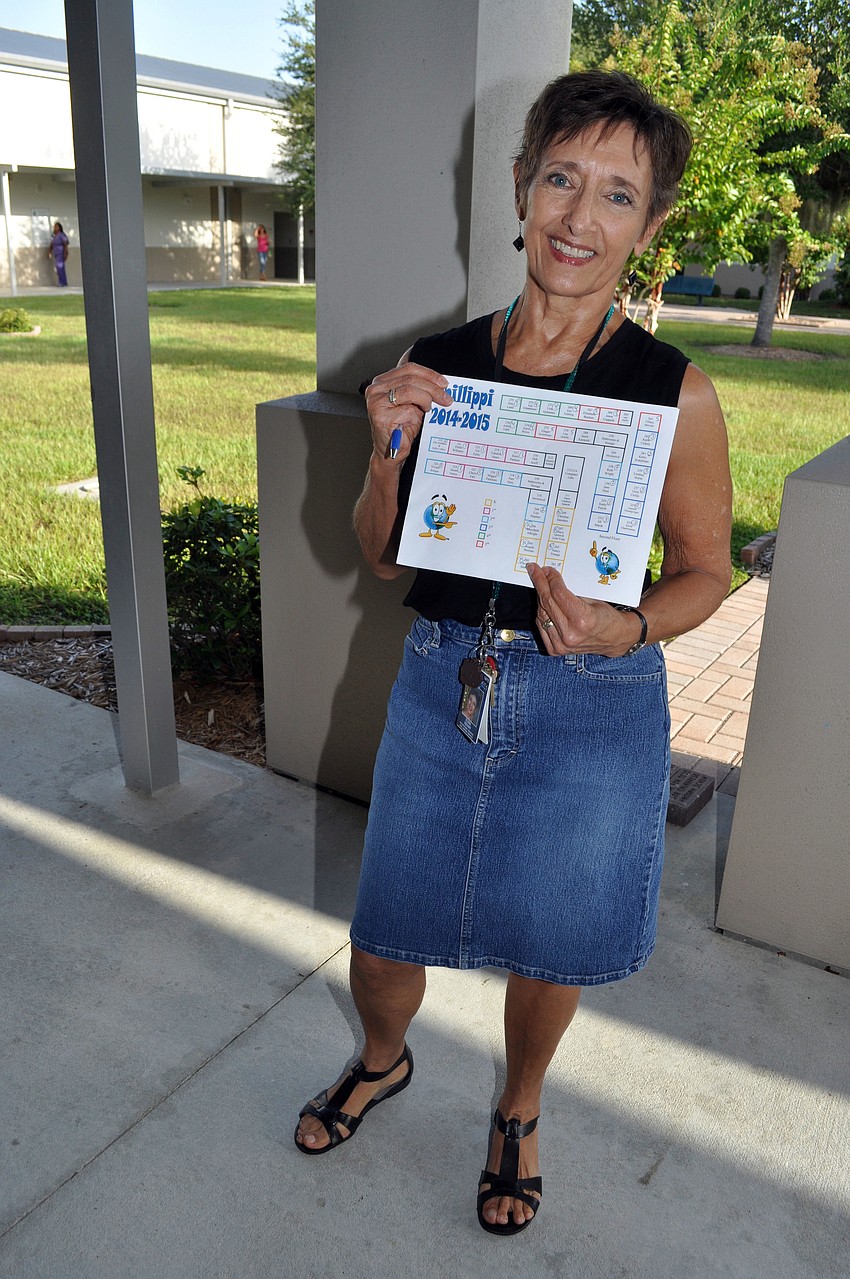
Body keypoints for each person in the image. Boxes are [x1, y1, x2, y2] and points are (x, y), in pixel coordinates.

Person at [294, 70, 732, 1236]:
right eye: (561, 180)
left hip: (592, 699)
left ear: (649, 226)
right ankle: (383, 1058)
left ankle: (521, 1105)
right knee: (386, 933)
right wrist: (387, 455)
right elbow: (383, 559)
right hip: (444, 677)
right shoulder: (440, 359)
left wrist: (625, 624)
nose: (579, 219)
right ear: (521, 188)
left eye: (617, 196)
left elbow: (707, 570)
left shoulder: (670, 392)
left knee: (553, 940)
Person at [47, 221, 69, 287]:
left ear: (59, 227)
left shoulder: (61, 235)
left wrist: (65, 253)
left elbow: (65, 244)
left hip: (61, 253)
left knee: (60, 267)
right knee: (58, 268)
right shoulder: (54, 235)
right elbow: (51, 244)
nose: (55, 228)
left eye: (56, 226)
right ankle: (61, 282)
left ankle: (63, 282)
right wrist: (49, 252)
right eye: (54, 227)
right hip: (56, 254)